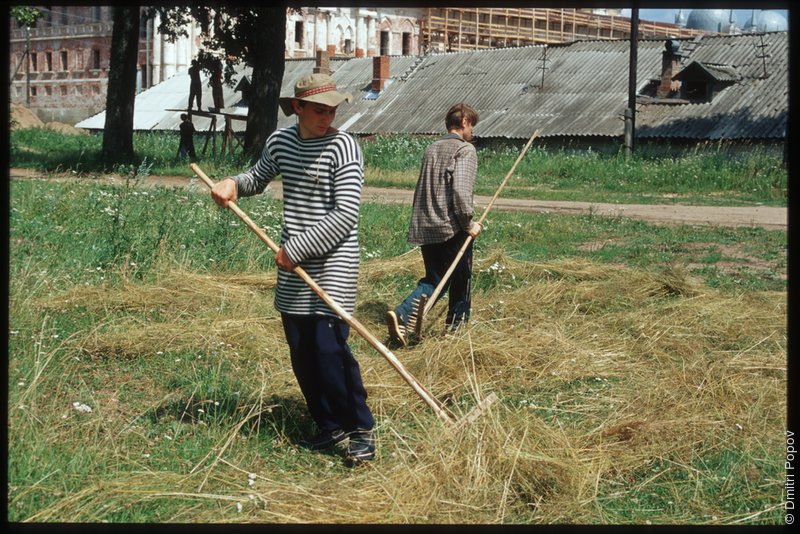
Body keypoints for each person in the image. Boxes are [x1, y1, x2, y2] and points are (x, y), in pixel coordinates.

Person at [210, 73, 375, 466]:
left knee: (329, 349)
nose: (327, 117)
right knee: (302, 351)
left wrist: (297, 249)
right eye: (319, 110)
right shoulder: (281, 142)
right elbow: (257, 177)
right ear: (297, 108)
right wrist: (232, 183)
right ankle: (328, 424)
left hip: (332, 264)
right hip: (292, 266)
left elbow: (345, 215)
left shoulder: (344, 147)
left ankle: (359, 431)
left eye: (332, 110)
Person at [386, 103, 482, 347]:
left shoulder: (432, 148)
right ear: (463, 123)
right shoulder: (465, 150)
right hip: (450, 228)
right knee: (460, 281)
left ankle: (408, 323)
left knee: (435, 280)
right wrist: (468, 224)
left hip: (426, 226)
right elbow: (461, 193)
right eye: (472, 125)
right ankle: (454, 333)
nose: (472, 131)